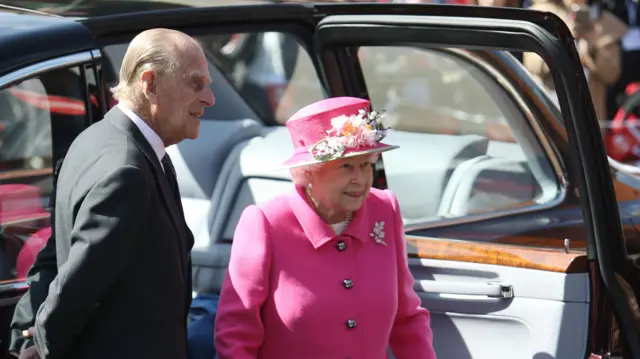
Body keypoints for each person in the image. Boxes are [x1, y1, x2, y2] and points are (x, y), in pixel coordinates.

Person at [15, 28, 215, 359]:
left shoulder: (96, 140)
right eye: (196, 83)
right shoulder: (128, 169)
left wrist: (29, 332)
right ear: (150, 84)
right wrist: (38, 347)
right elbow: (77, 286)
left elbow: (56, 256)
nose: (210, 98)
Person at [213, 96, 436, 359]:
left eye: (366, 164)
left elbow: (407, 318)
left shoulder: (385, 210)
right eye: (345, 166)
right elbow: (235, 334)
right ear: (308, 171)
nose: (361, 179)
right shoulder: (265, 223)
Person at [523, 0, 626, 124]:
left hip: (589, 120)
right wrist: (563, 39)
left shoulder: (605, 21)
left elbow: (612, 73)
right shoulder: (542, 15)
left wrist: (590, 49)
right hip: (550, 115)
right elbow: (533, 65)